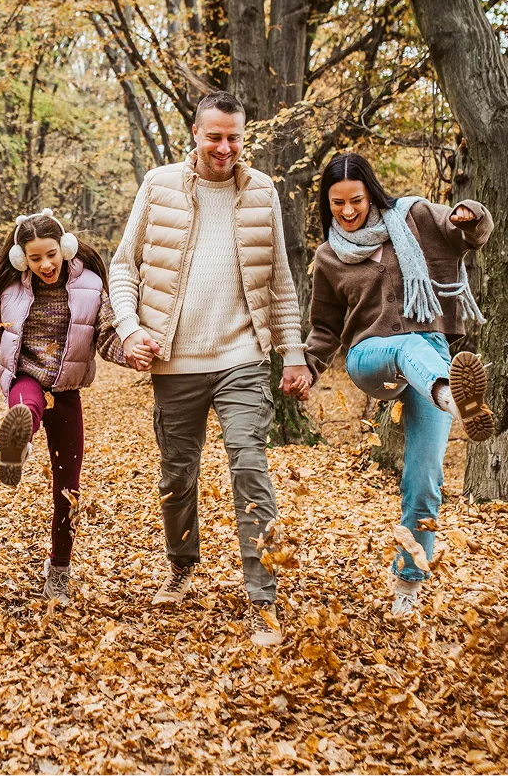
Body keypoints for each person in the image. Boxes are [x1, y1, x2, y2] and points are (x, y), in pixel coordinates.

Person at [108, 91, 312, 646]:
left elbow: (281, 282)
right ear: (194, 134)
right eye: (214, 136)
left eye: (234, 137)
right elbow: (122, 268)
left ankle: (262, 598)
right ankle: (180, 565)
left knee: (250, 464)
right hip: (174, 361)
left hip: (242, 355)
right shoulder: (159, 186)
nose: (225, 147)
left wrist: (293, 353)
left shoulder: (263, 191)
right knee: (178, 473)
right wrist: (130, 330)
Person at [303, 151, 496, 618]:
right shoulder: (328, 256)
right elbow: (326, 327)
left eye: (356, 200)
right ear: (326, 205)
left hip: (430, 352)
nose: (348, 212)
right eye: (337, 204)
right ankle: (453, 395)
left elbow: (465, 233)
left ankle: (407, 585)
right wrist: (307, 369)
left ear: (371, 192)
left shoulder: (413, 217)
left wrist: (471, 215)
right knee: (409, 350)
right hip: (371, 356)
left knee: (425, 479)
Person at [0, 210, 130, 606]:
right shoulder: (13, 292)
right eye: (35, 259)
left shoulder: (90, 286)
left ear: (64, 248)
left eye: (51, 254)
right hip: (26, 378)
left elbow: (105, 335)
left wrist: (130, 352)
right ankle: (18, 442)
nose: (45, 265)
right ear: (22, 259)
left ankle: (59, 571)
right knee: (26, 404)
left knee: (67, 489)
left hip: (66, 388)